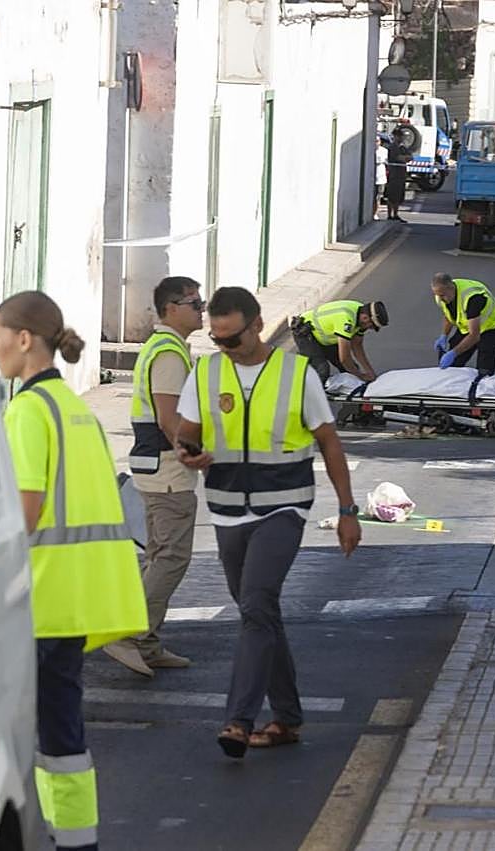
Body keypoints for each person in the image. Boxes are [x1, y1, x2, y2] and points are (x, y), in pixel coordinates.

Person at [0, 291, 149, 851]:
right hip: (75, 599)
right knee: (63, 731)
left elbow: (24, 513)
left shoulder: (29, 410)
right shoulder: (76, 408)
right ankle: (76, 839)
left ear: (24, 339)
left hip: (39, 600)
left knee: (11, 737)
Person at [174, 286, 361, 759]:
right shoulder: (206, 371)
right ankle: (288, 718)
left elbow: (330, 443)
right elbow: (186, 432)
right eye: (216, 339)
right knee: (258, 612)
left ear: (258, 325)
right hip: (226, 508)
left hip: (285, 506)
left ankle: (238, 720)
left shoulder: (298, 374)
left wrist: (347, 511)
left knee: (256, 602)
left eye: (232, 338)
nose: (225, 348)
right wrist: (189, 452)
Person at [105, 277, 206, 678]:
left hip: (155, 468)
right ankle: (129, 634)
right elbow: (169, 419)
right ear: (171, 309)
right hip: (167, 470)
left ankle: (146, 643)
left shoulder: (167, 347)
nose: (201, 309)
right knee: (171, 559)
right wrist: (197, 456)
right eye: (194, 303)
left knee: (158, 556)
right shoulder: (168, 353)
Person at [289, 299, 388, 384]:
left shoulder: (362, 313)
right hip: (305, 332)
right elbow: (344, 359)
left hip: (325, 337)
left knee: (352, 369)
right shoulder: (346, 319)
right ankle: (306, 398)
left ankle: (349, 404)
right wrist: (360, 376)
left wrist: (370, 372)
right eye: (371, 326)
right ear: (365, 318)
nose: (369, 329)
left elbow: (357, 345)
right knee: (322, 370)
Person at [430, 272, 495, 376]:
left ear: (451, 288)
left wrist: (453, 353)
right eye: (437, 295)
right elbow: (448, 315)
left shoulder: (472, 299)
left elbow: (474, 336)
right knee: (453, 365)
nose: (440, 298)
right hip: (468, 326)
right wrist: (444, 335)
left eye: (442, 295)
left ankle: (482, 387)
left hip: (491, 327)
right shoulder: (441, 295)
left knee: (485, 368)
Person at [385, 129, 411, 222]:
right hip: (394, 174)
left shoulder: (403, 147)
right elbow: (398, 158)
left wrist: (405, 158)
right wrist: (404, 158)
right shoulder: (393, 147)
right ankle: (389, 215)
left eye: (402, 136)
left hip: (401, 174)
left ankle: (395, 214)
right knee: (392, 195)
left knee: (399, 195)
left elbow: (410, 157)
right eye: (399, 136)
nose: (401, 138)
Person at [374, 136, 388, 221]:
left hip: (381, 177)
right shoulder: (371, 149)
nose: (376, 143)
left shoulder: (384, 151)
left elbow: (384, 160)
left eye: (377, 141)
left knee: (378, 197)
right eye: (375, 141)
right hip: (372, 177)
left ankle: (375, 213)